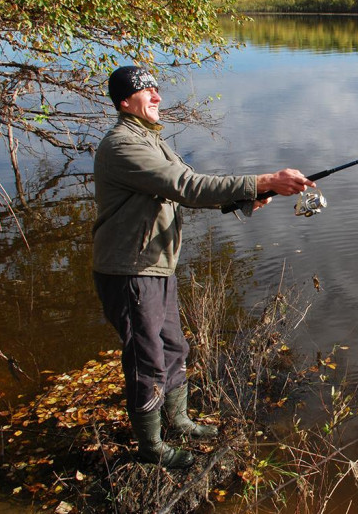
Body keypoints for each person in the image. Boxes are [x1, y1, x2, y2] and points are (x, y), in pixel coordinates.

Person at [92, 65, 315, 468]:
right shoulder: (122, 146)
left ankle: (178, 421)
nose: (157, 96)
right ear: (124, 101)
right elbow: (187, 187)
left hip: (155, 267)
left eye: (157, 89)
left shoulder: (150, 139)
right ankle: (151, 447)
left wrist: (247, 197)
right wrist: (264, 179)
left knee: (174, 347)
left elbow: (185, 188)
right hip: (130, 271)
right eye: (146, 91)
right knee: (146, 358)